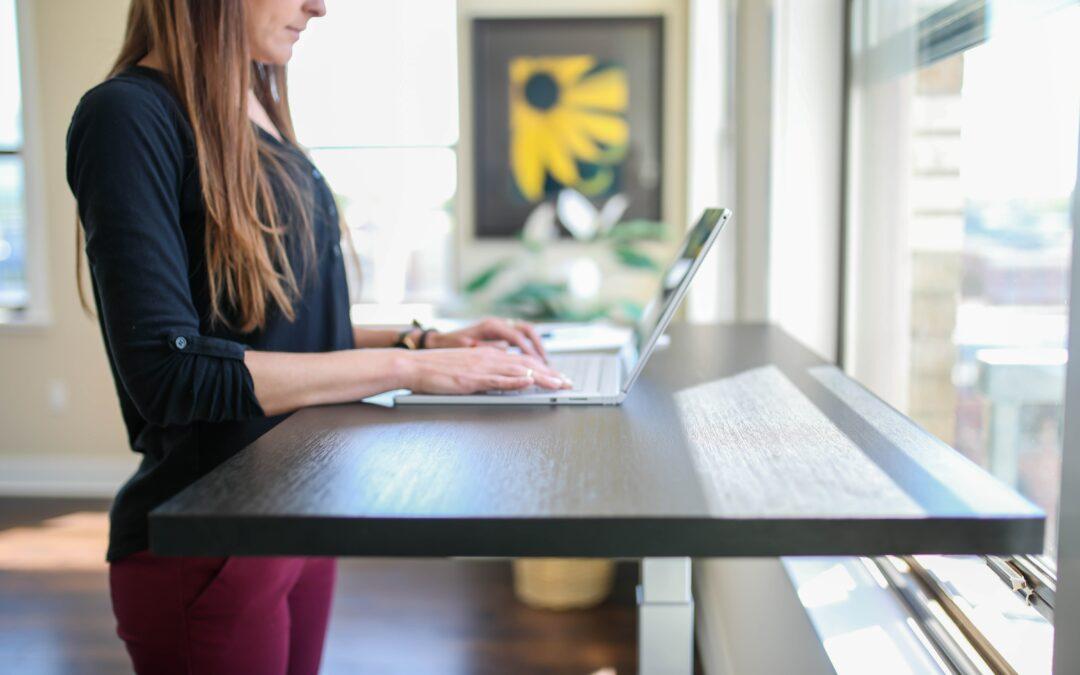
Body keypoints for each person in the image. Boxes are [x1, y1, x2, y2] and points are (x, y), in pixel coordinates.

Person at [66, 1, 570, 672]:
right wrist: (406, 371)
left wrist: (423, 343)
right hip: (210, 541)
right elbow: (171, 372)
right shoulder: (126, 117)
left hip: (296, 509)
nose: (319, 5)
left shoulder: (252, 102)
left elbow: (277, 329)